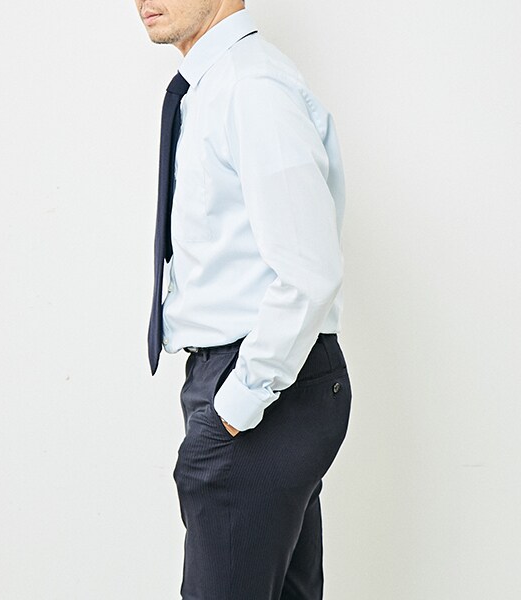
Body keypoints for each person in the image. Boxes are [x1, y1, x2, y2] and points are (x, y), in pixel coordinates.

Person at [135, 1, 352, 598]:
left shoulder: (250, 87)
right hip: (259, 380)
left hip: (261, 387)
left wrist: (234, 408)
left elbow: (309, 270)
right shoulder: (215, 87)